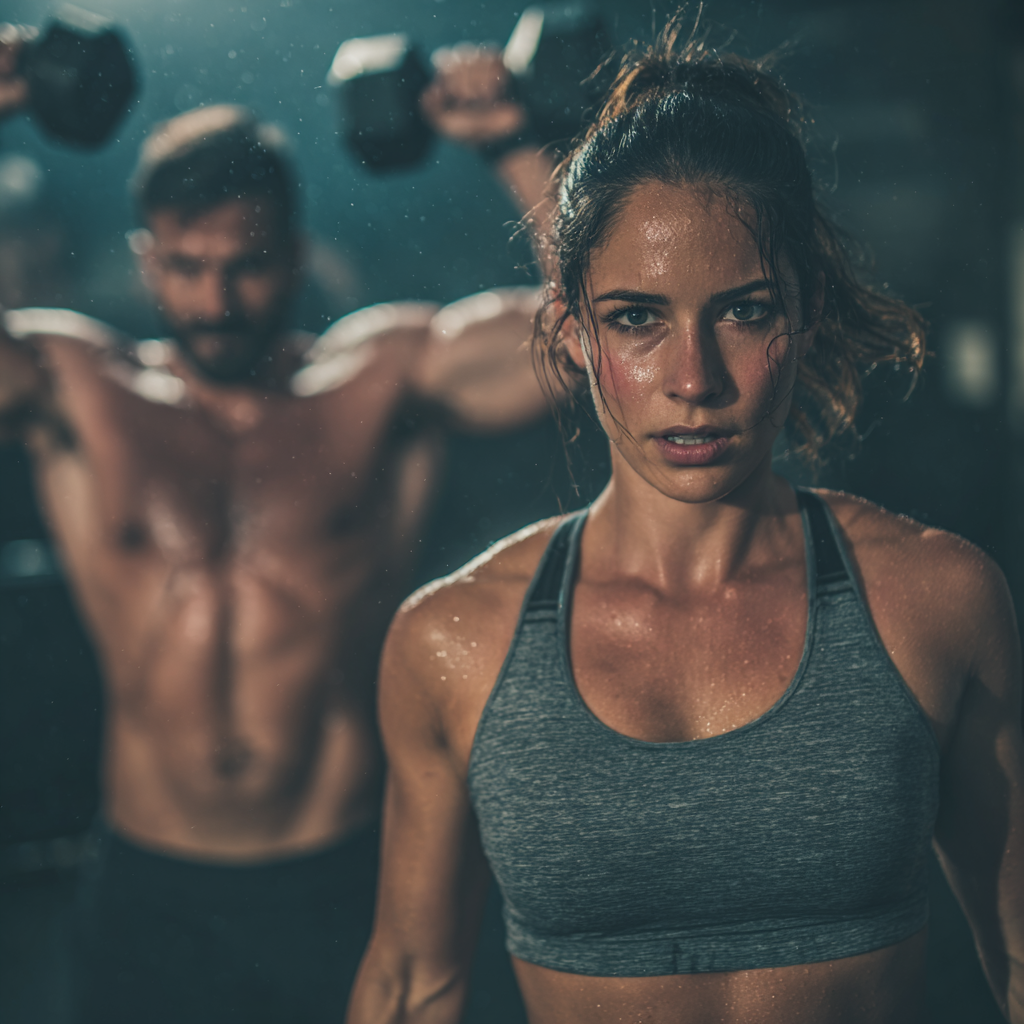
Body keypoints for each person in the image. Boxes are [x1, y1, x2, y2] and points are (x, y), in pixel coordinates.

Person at [347, 17, 1024, 1024]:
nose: (693, 380)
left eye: (744, 312)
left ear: (807, 307)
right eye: (636, 320)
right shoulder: (453, 639)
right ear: (572, 333)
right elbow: (412, 984)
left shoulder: (934, 599)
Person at [0, 37, 554, 1024]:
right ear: (147, 259)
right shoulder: (74, 385)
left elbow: (600, 331)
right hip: (149, 885)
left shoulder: (381, 377)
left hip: (343, 872)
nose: (215, 301)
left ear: (295, 255)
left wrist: (512, 144)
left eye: (247, 266)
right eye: (186, 266)